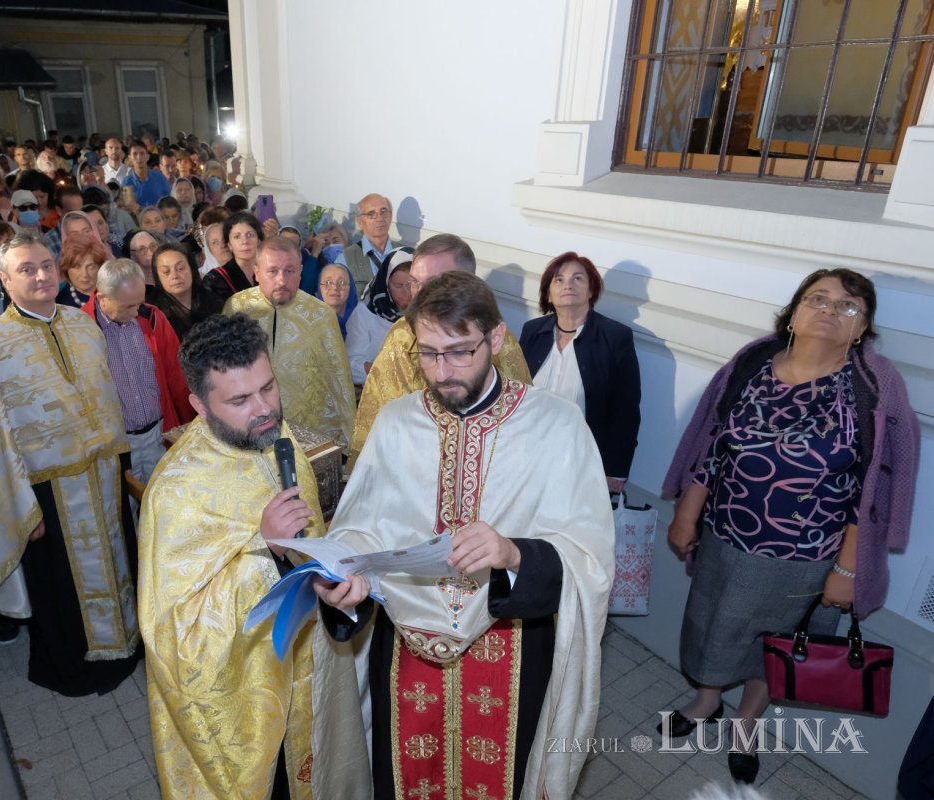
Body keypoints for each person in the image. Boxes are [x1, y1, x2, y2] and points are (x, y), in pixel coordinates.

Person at [315, 271, 614, 799]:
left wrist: (514, 553)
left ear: (495, 339)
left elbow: (587, 556)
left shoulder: (557, 425)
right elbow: (362, 524)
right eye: (428, 354)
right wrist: (342, 576)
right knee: (404, 778)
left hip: (513, 643)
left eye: (458, 352)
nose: (442, 371)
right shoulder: (396, 422)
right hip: (404, 644)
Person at [661, 267, 920, 784]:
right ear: (794, 313)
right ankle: (707, 700)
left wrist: (847, 569)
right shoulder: (753, 363)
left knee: (774, 642)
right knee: (711, 623)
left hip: (805, 558)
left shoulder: (871, 389)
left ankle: (746, 723)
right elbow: (715, 441)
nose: (830, 310)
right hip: (725, 537)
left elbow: (870, 489)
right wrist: (687, 510)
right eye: (817, 299)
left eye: (847, 306)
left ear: (862, 328)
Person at [138, 313, 361, 799]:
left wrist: (327, 574)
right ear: (199, 405)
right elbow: (174, 636)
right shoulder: (176, 493)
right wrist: (267, 552)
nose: (264, 409)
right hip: (245, 702)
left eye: (268, 387)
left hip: (307, 664)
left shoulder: (277, 438)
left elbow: (312, 537)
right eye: (239, 400)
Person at [0, 232, 140, 696]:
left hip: (102, 475)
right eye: (26, 269)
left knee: (121, 561)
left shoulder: (82, 324)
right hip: (46, 491)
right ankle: (78, 667)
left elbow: (105, 396)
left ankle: (127, 646)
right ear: (5, 279)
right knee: (61, 584)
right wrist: (21, 506)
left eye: (45, 265)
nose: (40, 276)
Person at [351, 233, 531, 464]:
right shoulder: (401, 336)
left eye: (434, 283)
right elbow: (381, 418)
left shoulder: (498, 340)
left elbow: (518, 423)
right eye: (415, 282)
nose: (419, 293)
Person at [519, 252, 641, 492]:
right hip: (528, 454)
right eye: (559, 279)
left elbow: (626, 412)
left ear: (591, 290)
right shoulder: (532, 331)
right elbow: (515, 392)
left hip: (582, 462)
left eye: (577, 278)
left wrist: (615, 471)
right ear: (548, 293)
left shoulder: (615, 337)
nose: (568, 285)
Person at [224, 236, 356, 451]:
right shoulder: (237, 307)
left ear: (301, 271)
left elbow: (339, 379)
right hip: (250, 424)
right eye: (272, 271)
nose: (281, 281)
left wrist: (349, 442)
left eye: (290, 271)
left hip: (308, 431)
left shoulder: (320, 315)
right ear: (256, 272)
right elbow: (223, 371)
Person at [80, 258, 194, 483]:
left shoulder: (152, 317)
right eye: (128, 306)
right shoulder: (81, 329)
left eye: (139, 303)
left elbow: (177, 377)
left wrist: (188, 427)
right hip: (117, 445)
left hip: (159, 435)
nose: (136, 312)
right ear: (103, 299)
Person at [345, 249, 413, 386]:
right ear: (386, 284)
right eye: (398, 285)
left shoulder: (429, 312)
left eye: (412, 284)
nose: (407, 292)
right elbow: (352, 366)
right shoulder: (365, 313)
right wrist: (391, 372)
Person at [150, 241, 224, 340]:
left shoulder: (213, 302)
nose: (174, 276)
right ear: (157, 276)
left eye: (180, 268)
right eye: (166, 271)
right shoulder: (153, 316)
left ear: (192, 269)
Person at [342, 193, 402, 298]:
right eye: (371, 214)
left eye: (383, 212)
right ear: (360, 222)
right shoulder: (345, 258)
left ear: (390, 216)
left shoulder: (404, 253)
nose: (379, 218)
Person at [201, 211, 262, 302]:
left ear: (259, 240)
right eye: (237, 237)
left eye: (250, 235)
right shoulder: (215, 279)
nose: (245, 241)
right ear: (229, 244)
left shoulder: (270, 271)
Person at [55, 226, 107, 308]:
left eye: (91, 267)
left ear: (100, 267)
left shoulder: (113, 289)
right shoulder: (60, 302)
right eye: (77, 267)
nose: (84, 274)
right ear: (66, 268)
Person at [121, 140, 172, 208]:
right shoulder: (127, 182)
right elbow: (130, 208)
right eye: (135, 154)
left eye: (142, 153)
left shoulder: (160, 178)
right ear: (129, 158)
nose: (139, 158)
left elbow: (169, 204)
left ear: (148, 156)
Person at [315, 262, 358, 337]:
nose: (335, 287)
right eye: (328, 282)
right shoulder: (308, 324)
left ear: (350, 288)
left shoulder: (365, 319)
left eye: (342, 282)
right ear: (319, 288)